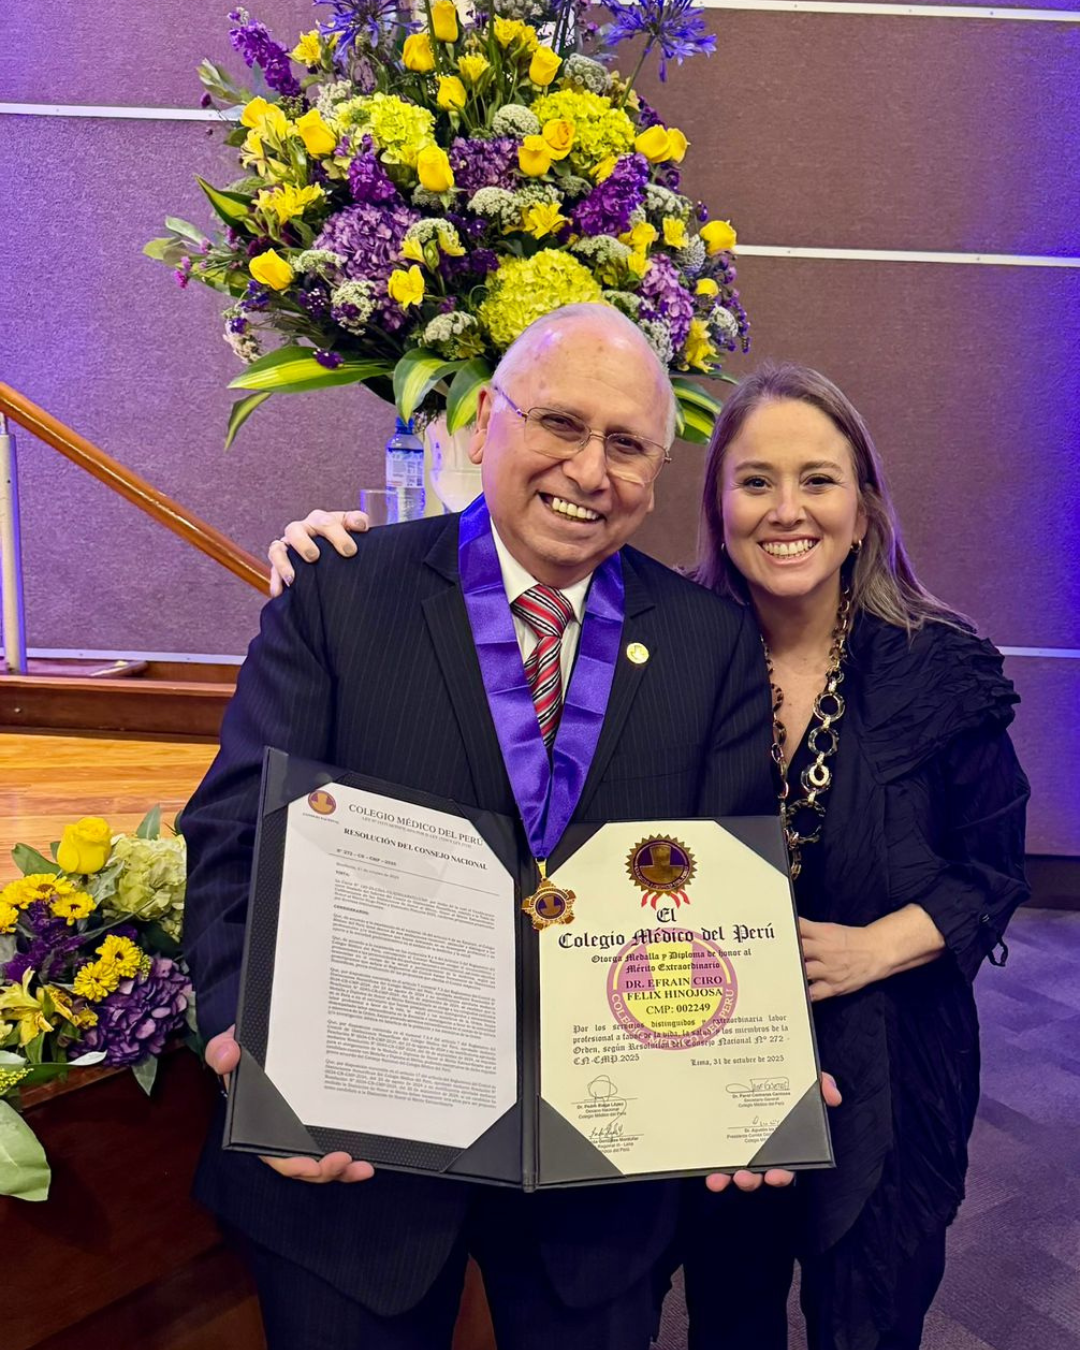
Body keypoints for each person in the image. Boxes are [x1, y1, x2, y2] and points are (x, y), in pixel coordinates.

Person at [274, 360, 1029, 1350]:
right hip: (685, 1054)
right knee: (729, 1310)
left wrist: (870, 949)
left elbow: (992, 868)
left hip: (881, 1053)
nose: (786, 509)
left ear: (864, 508)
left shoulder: (939, 667)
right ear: (717, 505)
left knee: (869, 1309)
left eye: (818, 479)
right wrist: (329, 553)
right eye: (755, 481)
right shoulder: (683, 637)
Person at [182, 304, 820, 1350]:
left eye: (627, 445)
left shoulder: (708, 643)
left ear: (657, 471)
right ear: (485, 422)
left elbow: (727, 885)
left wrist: (753, 1078)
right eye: (560, 423)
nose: (589, 470)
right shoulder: (343, 591)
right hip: (355, 1154)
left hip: (598, 1180)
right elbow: (236, 834)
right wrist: (237, 1034)